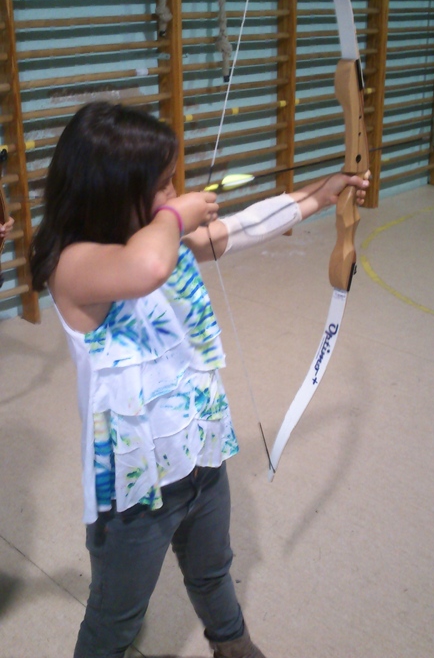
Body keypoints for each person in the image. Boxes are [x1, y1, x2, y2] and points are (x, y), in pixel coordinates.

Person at [30, 102, 369, 658]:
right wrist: (173, 217)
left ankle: (232, 643)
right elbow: (146, 269)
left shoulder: (166, 242)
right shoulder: (74, 265)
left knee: (213, 568)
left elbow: (244, 228)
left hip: (202, 456)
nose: (176, 193)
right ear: (113, 192)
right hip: (135, 490)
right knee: (116, 619)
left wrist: (323, 193)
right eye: (163, 185)